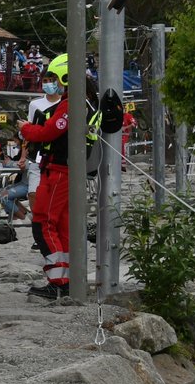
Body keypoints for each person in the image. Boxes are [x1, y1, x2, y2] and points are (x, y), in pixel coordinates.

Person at [19, 54, 123, 299]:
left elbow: (50, 130)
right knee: (64, 227)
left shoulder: (73, 103)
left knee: (43, 222)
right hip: (69, 171)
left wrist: (25, 129)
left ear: (66, 77)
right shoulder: (87, 101)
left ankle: (58, 282)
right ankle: (66, 281)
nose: (52, 83)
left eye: (54, 78)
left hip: (59, 170)